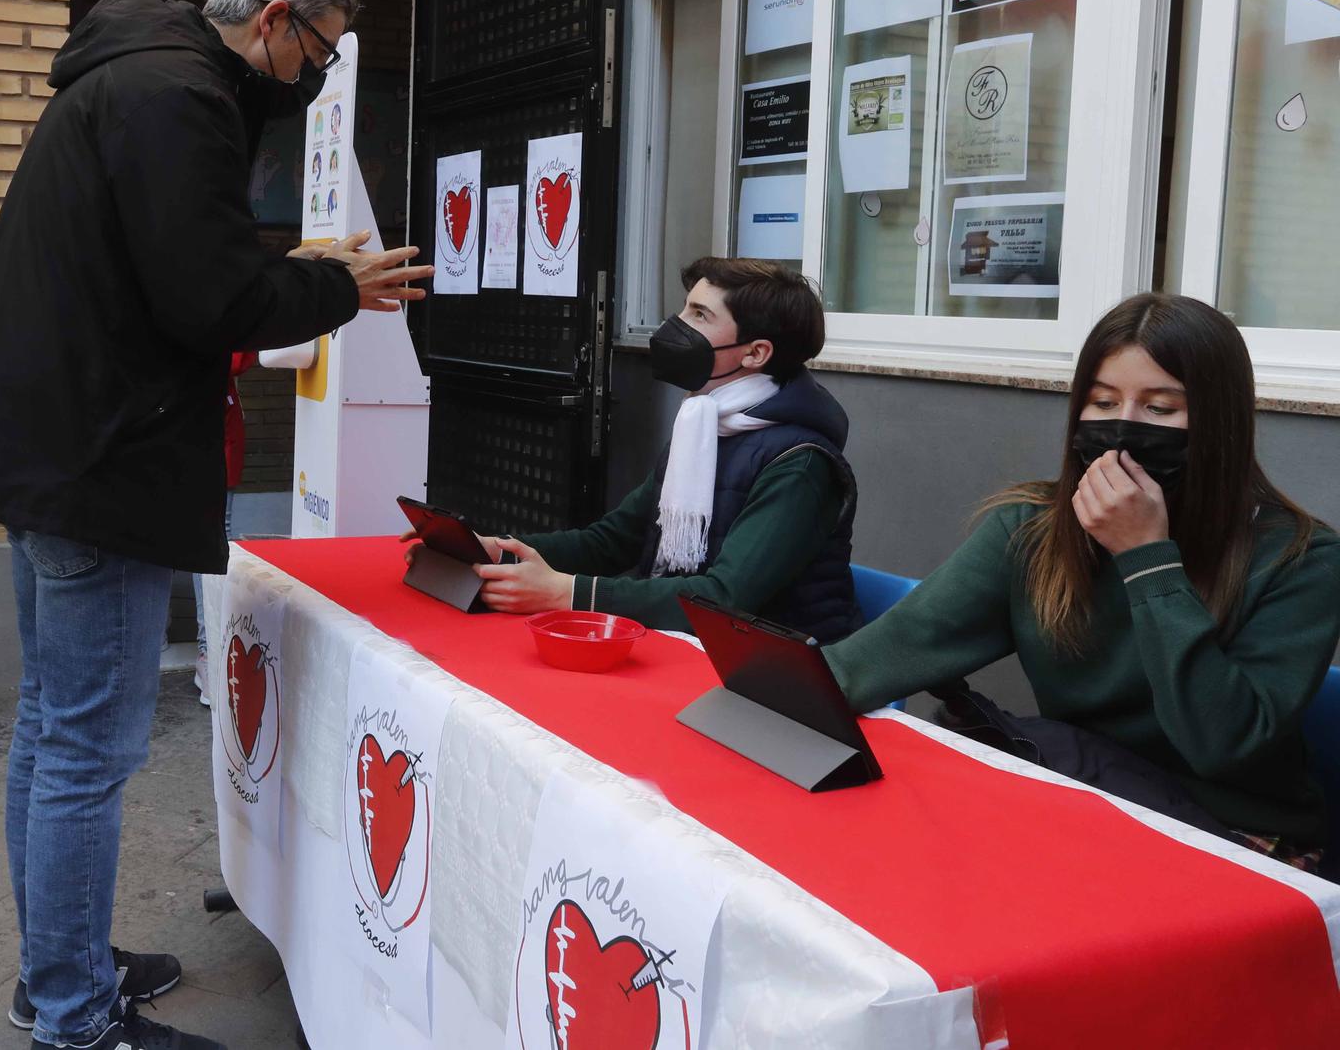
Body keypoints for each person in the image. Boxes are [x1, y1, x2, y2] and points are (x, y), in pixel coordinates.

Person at [0, 0, 431, 1050]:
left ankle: (54, 964)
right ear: (275, 20)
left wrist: (296, 272)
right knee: (85, 748)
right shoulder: (177, 97)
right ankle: (69, 1014)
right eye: (323, 51)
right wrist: (331, 286)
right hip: (99, 458)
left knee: (49, 728)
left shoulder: (138, 73)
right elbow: (204, 298)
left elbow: (172, 260)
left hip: (55, 447)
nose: (316, 77)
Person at [825, 294, 1340, 871]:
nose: (1123, 427)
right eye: (1102, 401)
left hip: (1236, 839)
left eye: (1161, 408)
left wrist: (1147, 556)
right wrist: (754, 698)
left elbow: (1221, 744)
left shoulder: (1301, 556)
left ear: (1220, 422)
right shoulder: (1032, 528)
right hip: (1084, 798)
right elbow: (888, 652)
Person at [443, 258, 863, 642]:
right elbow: (612, 541)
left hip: (779, 684)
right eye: (685, 308)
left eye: (699, 315)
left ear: (756, 353)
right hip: (692, 653)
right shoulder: (703, 428)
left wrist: (567, 594)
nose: (675, 325)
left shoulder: (802, 463)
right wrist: (499, 549)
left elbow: (724, 598)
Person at [192, 350, 259, 708]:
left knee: (212, 537)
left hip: (211, 428)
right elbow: (234, 357)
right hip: (195, 428)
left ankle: (208, 650)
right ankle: (207, 651)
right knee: (209, 539)